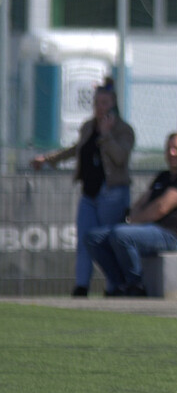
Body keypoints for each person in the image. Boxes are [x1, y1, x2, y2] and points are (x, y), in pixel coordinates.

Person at [31, 77, 135, 297]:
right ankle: (81, 286)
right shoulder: (88, 127)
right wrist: (50, 159)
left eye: (105, 103)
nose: (100, 108)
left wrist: (107, 135)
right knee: (84, 240)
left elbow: (120, 157)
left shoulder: (124, 130)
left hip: (112, 194)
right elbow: (76, 149)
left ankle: (113, 286)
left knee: (108, 242)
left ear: (113, 103)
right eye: (97, 103)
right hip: (89, 194)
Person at [85, 131, 177, 297]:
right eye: (168, 148)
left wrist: (131, 222)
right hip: (149, 229)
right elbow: (143, 201)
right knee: (93, 237)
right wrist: (131, 218)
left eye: (176, 149)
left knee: (121, 235)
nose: (171, 153)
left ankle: (136, 285)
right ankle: (119, 285)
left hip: (171, 236)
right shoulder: (163, 176)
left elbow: (161, 208)